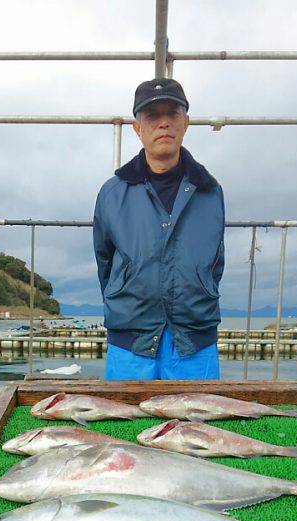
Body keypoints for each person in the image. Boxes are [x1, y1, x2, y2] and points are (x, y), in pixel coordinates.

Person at [93, 78, 225, 381]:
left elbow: (215, 262)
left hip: (195, 342)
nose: (163, 123)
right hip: (130, 344)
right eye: (152, 115)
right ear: (137, 128)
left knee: (199, 414)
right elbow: (105, 261)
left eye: (172, 113)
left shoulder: (211, 192)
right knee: (124, 414)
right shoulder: (112, 194)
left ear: (186, 122)